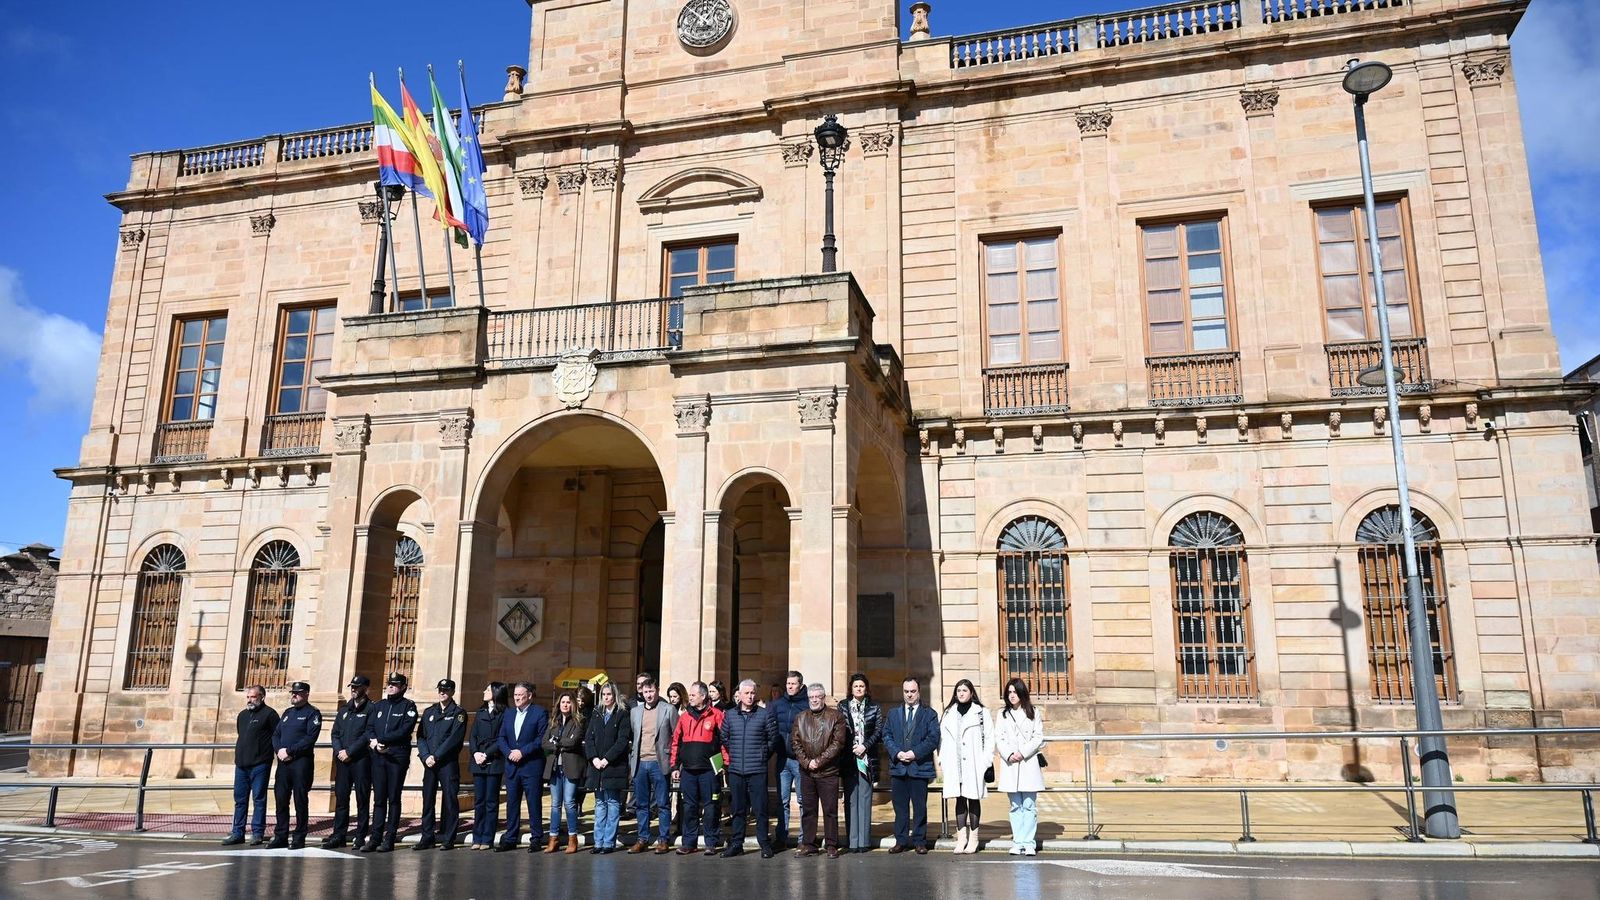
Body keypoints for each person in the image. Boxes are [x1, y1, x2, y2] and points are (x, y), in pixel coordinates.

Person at [719, 678, 779, 858]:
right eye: (747, 693)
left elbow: (773, 739)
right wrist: (735, 753)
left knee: (760, 809)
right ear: (739, 695)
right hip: (736, 770)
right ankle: (737, 843)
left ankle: (764, 844)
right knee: (738, 809)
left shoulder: (764, 714)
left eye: (753, 693)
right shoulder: (730, 715)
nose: (750, 696)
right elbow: (724, 737)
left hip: (757, 770)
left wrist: (762, 755)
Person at [882, 676, 939, 855]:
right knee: (900, 808)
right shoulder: (893, 714)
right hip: (898, 768)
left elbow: (933, 739)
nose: (909, 695)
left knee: (920, 808)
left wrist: (914, 753)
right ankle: (901, 841)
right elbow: (886, 735)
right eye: (906, 691)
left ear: (919, 692)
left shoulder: (929, 714)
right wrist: (897, 752)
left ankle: (919, 841)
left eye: (913, 691)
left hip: (919, 768)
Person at [791, 682, 848, 859]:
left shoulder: (836, 716)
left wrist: (819, 761)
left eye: (818, 697)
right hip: (807, 772)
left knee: (830, 811)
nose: (814, 700)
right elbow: (795, 743)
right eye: (811, 697)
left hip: (828, 772)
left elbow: (838, 743)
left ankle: (831, 845)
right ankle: (809, 844)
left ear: (824, 698)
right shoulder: (800, 717)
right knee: (808, 810)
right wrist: (807, 762)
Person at [364, 672, 418, 853]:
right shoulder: (379, 706)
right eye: (389, 683)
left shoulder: (408, 706)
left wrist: (383, 740)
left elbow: (405, 730)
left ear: (403, 687)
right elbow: (369, 727)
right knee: (379, 799)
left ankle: (390, 838)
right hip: (378, 756)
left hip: (396, 756)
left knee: (393, 797)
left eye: (395, 684)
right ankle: (375, 837)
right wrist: (374, 741)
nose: (390, 687)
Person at [669, 681, 725, 855]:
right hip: (688, 771)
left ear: (703, 696)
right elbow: (676, 742)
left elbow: (725, 742)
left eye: (693, 695)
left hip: (709, 771)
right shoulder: (684, 717)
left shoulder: (716, 715)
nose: (690, 697)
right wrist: (674, 766)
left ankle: (711, 842)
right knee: (689, 808)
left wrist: (724, 764)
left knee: (711, 807)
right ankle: (689, 843)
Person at [939, 678, 993, 854]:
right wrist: (943, 759)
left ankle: (974, 839)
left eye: (964, 690)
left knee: (973, 798)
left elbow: (989, 738)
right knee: (959, 799)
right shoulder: (948, 713)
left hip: (974, 763)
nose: (961, 693)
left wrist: (985, 761)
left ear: (971, 693)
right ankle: (961, 839)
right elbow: (941, 739)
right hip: (954, 763)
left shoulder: (981, 712)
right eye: (958, 690)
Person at [268, 681, 322, 849]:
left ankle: (299, 837)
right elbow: (276, 735)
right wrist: (279, 750)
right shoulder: (288, 713)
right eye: (293, 692)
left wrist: (290, 751)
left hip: (301, 763)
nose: (294, 695)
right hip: (283, 763)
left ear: (306, 694)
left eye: (297, 693)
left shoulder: (312, 713)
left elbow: (310, 738)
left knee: (300, 800)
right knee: (281, 799)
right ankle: (281, 835)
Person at [496, 681, 548, 852]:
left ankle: (536, 838)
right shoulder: (509, 713)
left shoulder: (539, 712)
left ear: (529, 696)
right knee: (512, 803)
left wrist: (522, 752)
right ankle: (510, 838)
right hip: (512, 765)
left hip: (531, 765)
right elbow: (501, 737)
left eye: (520, 695)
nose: (517, 698)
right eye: (515, 695)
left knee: (533, 803)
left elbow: (541, 738)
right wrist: (509, 752)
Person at [222, 685, 278, 846]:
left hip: (260, 764)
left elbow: (276, 736)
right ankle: (237, 832)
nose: (249, 700)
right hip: (241, 764)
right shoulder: (243, 715)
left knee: (258, 799)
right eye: (248, 697)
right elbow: (241, 735)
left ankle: (257, 833)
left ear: (262, 697)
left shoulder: (270, 714)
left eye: (253, 697)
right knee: (240, 800)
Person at [415, 678, 467, 850]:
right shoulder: (429, 712)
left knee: (450, 800)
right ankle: (427, 837)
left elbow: (454, 739)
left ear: (452, 692)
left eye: (446, 690)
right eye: (440, 690)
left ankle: (449, 838)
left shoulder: (458, 713)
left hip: (447, 763)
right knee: (427, 800)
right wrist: (425, 756)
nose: (442, 692)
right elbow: (421, 736)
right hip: (429, 763)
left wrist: (436, 756)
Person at [995, 677, 1045, 856]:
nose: (1012, 695)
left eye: (1015, 692)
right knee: (1015, 805)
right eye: (1009, 692)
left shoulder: (1033, 712)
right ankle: (1018, 841)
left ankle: (1029, 843)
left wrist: (1022, 752)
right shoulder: (1002, 714)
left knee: (1029, 805)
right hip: (1011, 764)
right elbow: (999, 737)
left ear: (1022, 693)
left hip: (1027, 762)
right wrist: (1009, 754)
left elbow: (1038, 737)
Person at [628, 677, 677, 853]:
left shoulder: (668, 709)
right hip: (640, 763)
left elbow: (676, 737)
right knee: (641, 804)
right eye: (645, 691)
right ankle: (642, 838)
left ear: (657, 691)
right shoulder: (635, 712)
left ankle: (663, 839)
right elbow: (634, 736)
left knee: (662, 803)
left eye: (651, 691)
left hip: (659, 762)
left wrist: (675, 765)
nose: (648, 695)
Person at [322, 675, 372, 850]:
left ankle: (360, 836)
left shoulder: (371, 709)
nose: (353, 689)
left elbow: (368, 734)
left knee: (362, 799)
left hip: (361, 760)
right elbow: (335, 733)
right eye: (352, 686)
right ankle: (339, 835)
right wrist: (339, 751)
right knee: (341, 799)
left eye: (357, 687)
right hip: (343, 761)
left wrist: (350, 752)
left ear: (366, 688)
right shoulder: (344, 710)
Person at [584, 682, 632, 854]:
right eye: (603, 694)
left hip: (614, 766)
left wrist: (606, 759)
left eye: (609, 694)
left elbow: (622, 740)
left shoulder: (622, 714)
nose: (606, 697)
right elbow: (589, 738)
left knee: (612, 804)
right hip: (597, 767)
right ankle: (598, 842)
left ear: (615, 695)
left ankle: (608, 842)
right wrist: (594, 758)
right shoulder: (597, 713)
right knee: (599, 804)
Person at [841, 673, 882, 853]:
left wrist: (864, 746)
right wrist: (852, 747)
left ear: (866, 689)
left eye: (862, 686)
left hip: (867, 758)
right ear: (851, 688)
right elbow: (841, 729)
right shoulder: (843, 706)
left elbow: (879, 731)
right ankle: (852, 841)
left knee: (865, 799)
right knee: (851, 800)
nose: (858, 689)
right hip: (849, 758)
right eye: (856, 686)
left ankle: (864, 841)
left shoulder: (874, 707)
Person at [543, 690, 587, 853]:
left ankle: (572, 838)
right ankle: (553, 838)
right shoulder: (553, 721)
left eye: (568, 702)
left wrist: (556, 741)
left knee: (569, 802)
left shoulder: (579, 721)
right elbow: (544, 743)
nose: (565, 705)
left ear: (573, 704)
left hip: (571, 767)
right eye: (563, 702)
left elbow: (574, 742)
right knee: (555, 804)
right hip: (555, 767)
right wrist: (560, 743)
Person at [769, 670, 808, 849]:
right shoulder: (778, 704)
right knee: (782, 801)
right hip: (782, 759)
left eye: (793, 684)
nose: (790, 687)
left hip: (800, 760)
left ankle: (803, 839)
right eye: (788, 683)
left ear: (800, 685)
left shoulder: (807, 704)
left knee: (802, 801)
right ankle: (781, 838)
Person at [469, 682, 508, 850]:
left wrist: (486, 754)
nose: (484, 691)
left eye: (488, 689)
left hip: (494, 760)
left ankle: (487, 838)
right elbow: (473, 736)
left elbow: (502, 738)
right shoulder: (481, 712)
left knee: (491, 801)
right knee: (479, 801)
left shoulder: (505, 713)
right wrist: (475, 753)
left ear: (496, 693)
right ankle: (476, 836)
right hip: (478, 760)